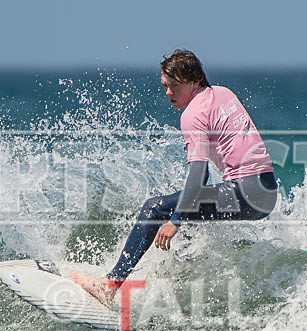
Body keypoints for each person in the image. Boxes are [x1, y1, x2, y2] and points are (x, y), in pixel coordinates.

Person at [69, 49, 278, 304]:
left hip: (244, 192)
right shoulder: (224, 94)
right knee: (192, 219)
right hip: (266, 192)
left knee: (155, 208)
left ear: (194, 81)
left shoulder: (193, 115)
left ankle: (110, 285)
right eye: (165, 86)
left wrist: (176, 219)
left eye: (175, 86)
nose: (169, 93)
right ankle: (178, 284)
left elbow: (199, 176)